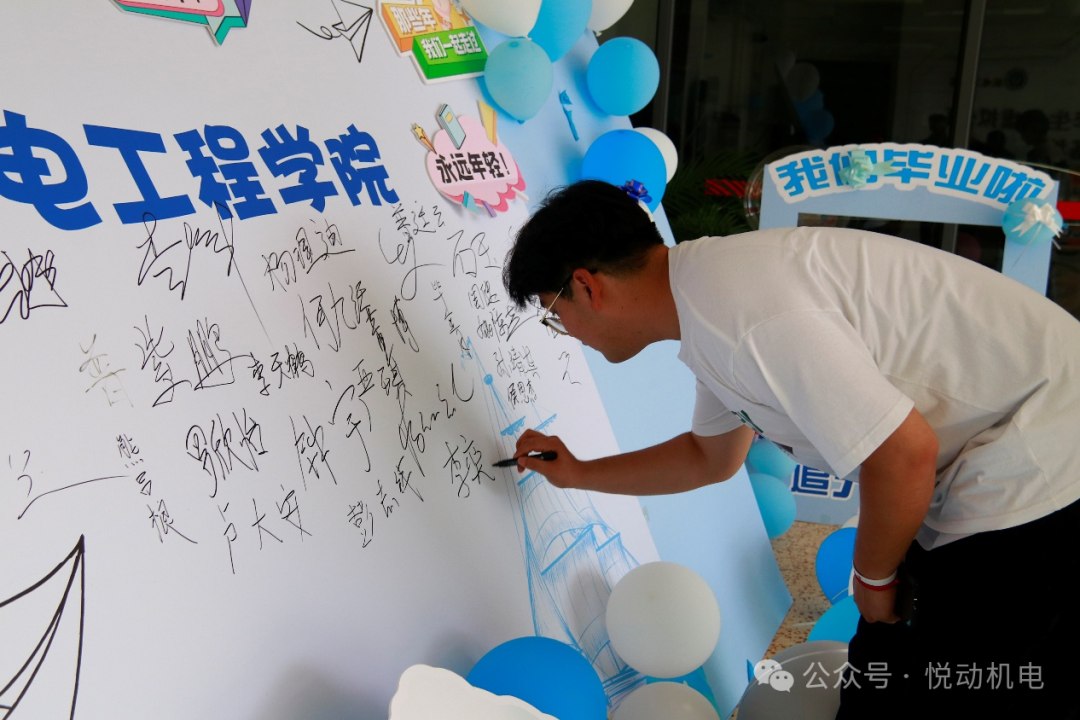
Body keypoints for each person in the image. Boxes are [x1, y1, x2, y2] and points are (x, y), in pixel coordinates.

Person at [502, 180, 1080, 719]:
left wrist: (874, 582)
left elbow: (903, 453)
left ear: (588, 286)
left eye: (555, 315)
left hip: (1038, 446)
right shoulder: (708, 299)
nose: (568, 333)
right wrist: (579, 472)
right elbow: (709, 457)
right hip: (992, 451)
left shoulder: (741, 313)